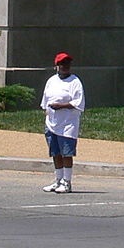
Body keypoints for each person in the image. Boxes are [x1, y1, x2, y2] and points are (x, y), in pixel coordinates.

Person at [40, 51, 85, 193]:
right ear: (56, 65)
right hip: (52, 123)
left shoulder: (75, 82)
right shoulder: (51, 81)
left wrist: (62, 106)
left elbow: (78, 102)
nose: (65, 66)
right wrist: (48, 115)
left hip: (67, 124)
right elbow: (45, 102)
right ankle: (58, 180)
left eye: (67, 63)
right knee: (55, 153)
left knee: (67, 153)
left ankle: (67, 182)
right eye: (62, 64)